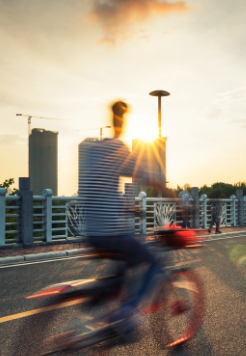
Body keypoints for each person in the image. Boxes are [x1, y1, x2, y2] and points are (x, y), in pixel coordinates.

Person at [79, 100, 161, 339]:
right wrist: (174, 199)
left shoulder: (91, 151)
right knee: (154, 262)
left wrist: (131, 210)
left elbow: (100, 191)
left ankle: (98, 311)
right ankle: (127, 314)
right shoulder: (118, 148)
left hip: (91, 233)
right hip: (112, 235)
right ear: (121, 121)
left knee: (122, 270)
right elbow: (145, 175)